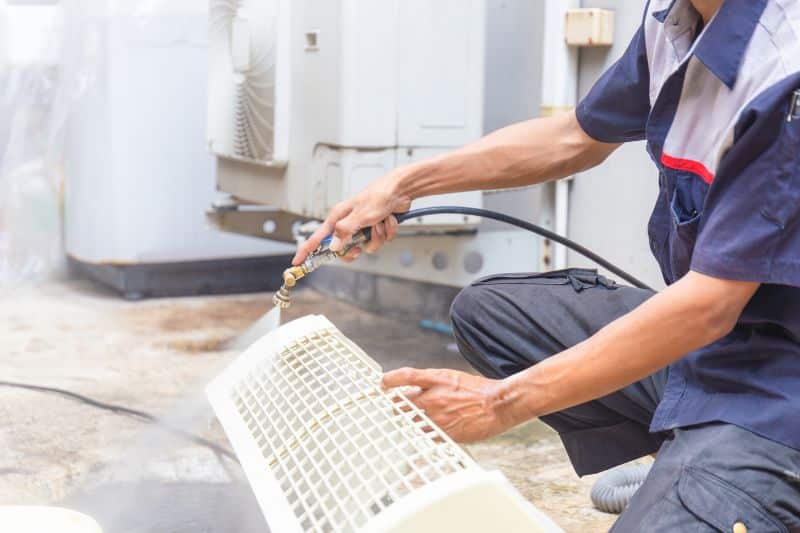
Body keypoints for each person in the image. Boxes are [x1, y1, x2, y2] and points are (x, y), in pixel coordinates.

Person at [293, 0, 800, 529]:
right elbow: (575, 137)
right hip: (714, 348)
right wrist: (400, 185)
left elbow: (708, 307)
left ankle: (736, 478)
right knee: (489, 313)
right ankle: (694, 465)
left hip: (777, 390)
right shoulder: (676, 20)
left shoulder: (783, 69)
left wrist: (499, 404)